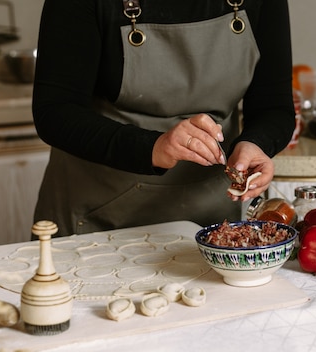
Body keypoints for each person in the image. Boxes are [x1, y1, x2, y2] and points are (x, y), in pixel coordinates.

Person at [31, 0, 296, 238]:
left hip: (213, 221)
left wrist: (255, 143)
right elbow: (55, 112)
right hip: (98, 218)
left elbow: (273, 105)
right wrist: (154, 147)